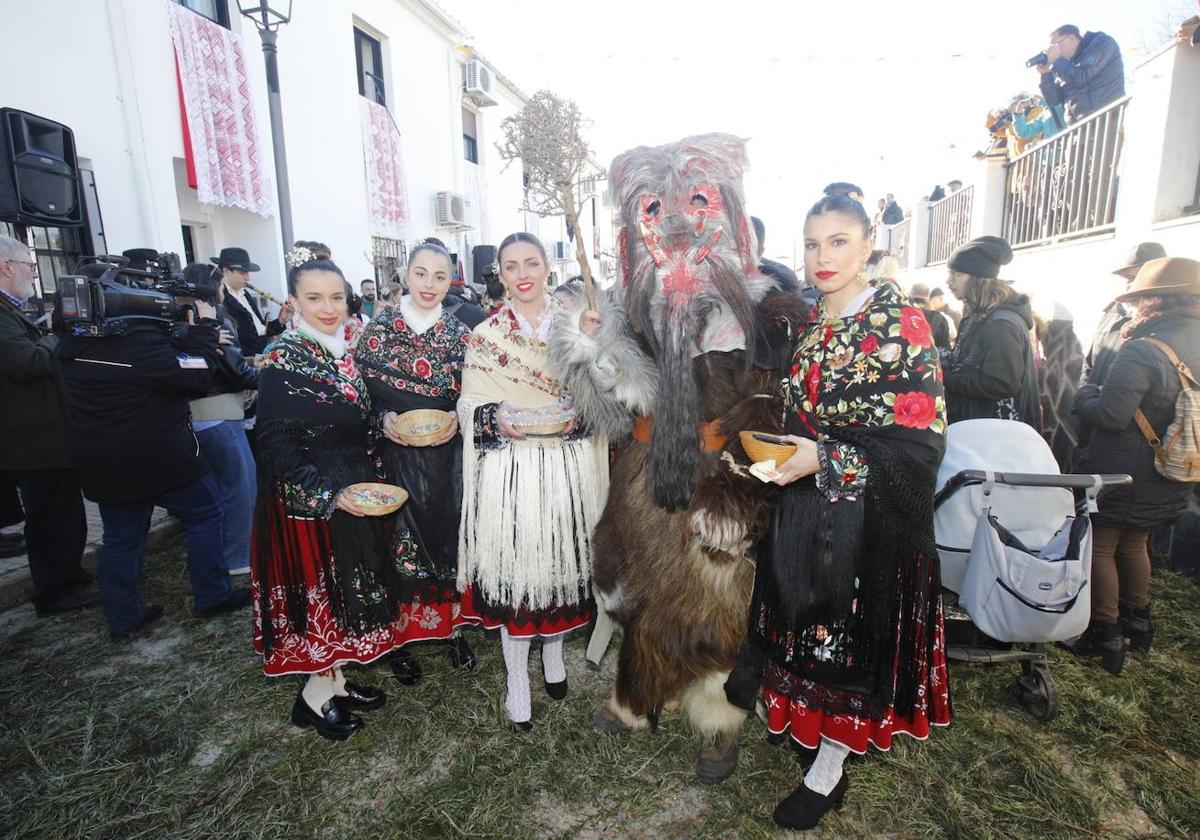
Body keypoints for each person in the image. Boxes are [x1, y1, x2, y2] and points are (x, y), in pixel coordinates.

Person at [748, 192, 949, 830]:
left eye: (838, 241)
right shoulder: (812, 323)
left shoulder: (903, 323)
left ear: (868, 246)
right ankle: (812, 732)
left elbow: (919, 449)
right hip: (806, 513)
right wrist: (775, 450)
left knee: (849, 645)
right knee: (809, 631)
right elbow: (805, 416)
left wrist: (827, 459)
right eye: (811, 244)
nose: (822, 256)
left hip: (869, 522)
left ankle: (830, 769)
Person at [252, 246, 422, 741]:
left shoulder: (342, 351)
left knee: (342, 591)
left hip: (353, 490)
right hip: (310, 500)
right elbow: (274, 442)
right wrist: (327, 494)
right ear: (293, 302)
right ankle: (313, 698)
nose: (328, 308)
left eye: (336, 298)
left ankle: (337, 682)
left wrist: (385, 426)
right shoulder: (286, 356)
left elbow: (358, 419)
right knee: (320, 595)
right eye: (314, 298)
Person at [456, 232, 609, 732]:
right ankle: (516, 679)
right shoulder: (485, 337)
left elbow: (604, 394)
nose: (522, 274)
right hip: (512, 475)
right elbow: (468, 405)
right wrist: (492, 414)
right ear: (499, 275)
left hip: (567, 469)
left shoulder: (577, 329)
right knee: (519, 573)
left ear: (547, 268)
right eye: (510, 266)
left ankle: (555, 657)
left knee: (559, 567)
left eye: (531, 263)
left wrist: (580, 412)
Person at [56, 262, 250, 640]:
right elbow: (196, 378)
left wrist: (185, 336)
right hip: (159, 457)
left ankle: (123, 616)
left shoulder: (72, 342)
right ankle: (212, 594)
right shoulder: (141, 344)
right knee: (207, 513)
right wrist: (207, 332)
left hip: (101, 459)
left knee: (121, 537)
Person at [1063, 257, 1200, 675]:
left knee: (1103, 545)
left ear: (1156, 300)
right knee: (1137, 542)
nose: (1137, 305)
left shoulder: (1143, 347)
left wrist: (1085, 394)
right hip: (1171, 464)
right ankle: (1138, 622)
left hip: (1125, 467)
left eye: (1142, 297)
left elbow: (1110, 415)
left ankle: (1104, 632)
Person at [355, 241, 479, 684]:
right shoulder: (377, 331)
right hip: (394, 461)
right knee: (396, 545)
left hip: (448, 461)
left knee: (450, 538)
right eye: (421, 274)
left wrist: (456, 416)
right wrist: (383, 418)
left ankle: (454, 630)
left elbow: (477, 395)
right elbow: (358, 398)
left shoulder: (460, 335)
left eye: (440, 276)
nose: (430, 285)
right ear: (406, 275)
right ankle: (400, 640)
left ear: (451, 281)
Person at [0, 235, 100, 615]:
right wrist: (59, 337)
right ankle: (54, 590)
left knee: (64, 511)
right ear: (8, 267)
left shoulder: (12, 311)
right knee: (48, 517)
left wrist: (47, 340)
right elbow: (27, 361)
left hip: (46, 433)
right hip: (31, 439)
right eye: (29, 264)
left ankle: (69, 575)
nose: (33, 271)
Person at [182, 263, 259, 577]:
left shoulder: (192, 320)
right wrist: (263, 376)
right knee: (240, 488)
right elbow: (232, 368)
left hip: (210, 413)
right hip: (216, 413)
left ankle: (231, 554)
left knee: (233, 486)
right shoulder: (208, 320)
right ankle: (236, 557)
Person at [941, 236, 1040, 430]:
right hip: (979, 426)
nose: (948, 281)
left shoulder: (1001, 324)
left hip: (995, 437)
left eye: (956, 274)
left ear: (977, 278)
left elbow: (1001, 384)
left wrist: (944, 378)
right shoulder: (979, 315)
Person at [1083, 243, 1167, 388]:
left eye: (1135, 278)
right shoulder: (1112, 313)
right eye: (1127, 278)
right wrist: (1081, 398)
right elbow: (1089, 366)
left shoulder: (1168, 322)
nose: (1129, 285)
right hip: (1095, 406)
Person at [1035, 24, 1124, 126]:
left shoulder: (1101, 43)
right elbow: (1054, 100)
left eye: (1055, 45)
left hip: (1106, 120)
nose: (1053, 51)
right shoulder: (1064, 65)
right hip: (1078, 128)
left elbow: (1082, 76)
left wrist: (1058, 60)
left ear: (1072, 38)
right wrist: (1046, 74)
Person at [214, 247, 293, 354]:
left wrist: (281, 321)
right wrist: (251, 359)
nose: (248, 278)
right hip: (245, 361)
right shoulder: (219, 297)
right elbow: (230, 340)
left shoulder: (245, 294)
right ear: (226, 271)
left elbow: (259, 330)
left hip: (261, 354)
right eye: (243, 272)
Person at [909, 282, 954, 350]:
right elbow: (946, 351)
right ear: (928, 296)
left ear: (911, 294)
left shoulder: (901, 316)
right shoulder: (940, 318)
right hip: (934, 359)